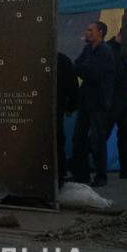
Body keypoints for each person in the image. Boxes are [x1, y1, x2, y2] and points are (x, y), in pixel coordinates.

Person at [71, 21, 116, 187]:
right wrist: (85, 69)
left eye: (90, 30)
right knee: (79, 138)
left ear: (100, 32)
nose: (87, 32)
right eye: (87, 29)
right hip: (85, 102)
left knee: (97, 140)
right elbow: (78, 66)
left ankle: (101, 175)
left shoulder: (105, 52)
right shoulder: (88, 49)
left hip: (98, 103)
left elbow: (95, 74)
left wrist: (84, 69)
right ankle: (81, 175)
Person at [107, 29, 127, 179]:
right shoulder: (108, 50)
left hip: (123, 98)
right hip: (112, 99)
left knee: (126, 136)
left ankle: (126, 170)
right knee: (100, 136)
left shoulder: (124, 52)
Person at [54, 52, 79, 187]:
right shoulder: (62, 59)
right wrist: (71, 106)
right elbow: (73, 86)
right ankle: (58, 177)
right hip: (56, 109)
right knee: (57, 141)